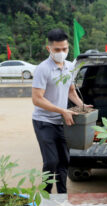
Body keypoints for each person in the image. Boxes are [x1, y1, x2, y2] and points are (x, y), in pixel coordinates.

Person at [31, 29, 90, 193]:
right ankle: (46, 194)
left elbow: (71, 92)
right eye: (57, 50)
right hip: (44, 122)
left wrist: (83, 106)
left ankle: (62, 195)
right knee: (51, 161)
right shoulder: (43, 69)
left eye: (65, 49)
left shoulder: (70, 67)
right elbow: (37, 99)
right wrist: (62, 110)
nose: (61, 53)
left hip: (63, 122)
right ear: (48, 48)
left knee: (64, 160)